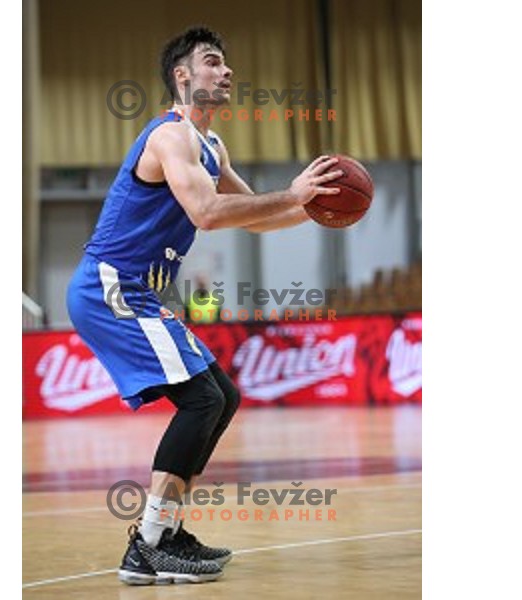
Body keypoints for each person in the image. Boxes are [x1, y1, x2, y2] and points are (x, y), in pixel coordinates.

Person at [66, 26, 343, 585]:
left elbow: (255, 216)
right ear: (183, 76)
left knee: (222, 395)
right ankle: (147, 543)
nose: (227, 72)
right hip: (110, 286)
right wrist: (291, 194)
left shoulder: (212, 146)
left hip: (137, 292)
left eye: (227, 64)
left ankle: (165, 535)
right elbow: (209, 214)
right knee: (200, 399)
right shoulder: (171, 136)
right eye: (213, 61)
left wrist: (315, 207)